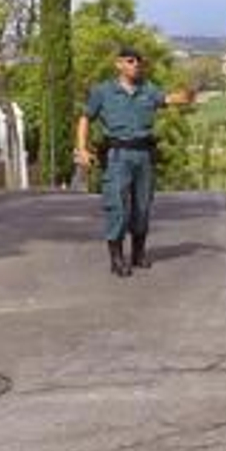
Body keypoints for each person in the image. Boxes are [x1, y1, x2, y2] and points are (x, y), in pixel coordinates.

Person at [75, 45, 164, 278]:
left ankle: (138, 253)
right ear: (119, 64)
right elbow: (85, 118)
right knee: (118, 207)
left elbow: (168, 99)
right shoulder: (103, 91)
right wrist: (82, 149)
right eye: (130, 61)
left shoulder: (148, 89)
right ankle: (116, 258)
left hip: (144, 155)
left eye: (138, 61)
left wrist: (188, 96)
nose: (135, 65)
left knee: (143, 206)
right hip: (117, 155)